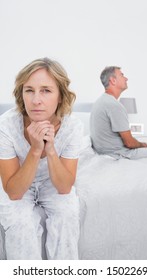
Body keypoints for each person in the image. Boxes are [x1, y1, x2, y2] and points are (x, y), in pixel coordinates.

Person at [0, 57, 83, 260]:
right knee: (20, 222)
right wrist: (35, 151)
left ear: (61, 96)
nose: (36, 100)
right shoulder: (6, 125)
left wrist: (51, 150)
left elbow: (64, 188)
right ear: (22, 94)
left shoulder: (73, 126)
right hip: (19, 181)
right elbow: (13, 192)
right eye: (29, 90)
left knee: (68, 214)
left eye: (46, 90)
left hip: (51, 183)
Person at [90, 66, 147, 160]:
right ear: (113, 80)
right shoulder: (114, 105)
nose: (126, 78)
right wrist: (143, 145)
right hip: (119, 153)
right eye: (122, 75)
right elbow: (130, 143)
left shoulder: (100, 101)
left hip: (105, 152)